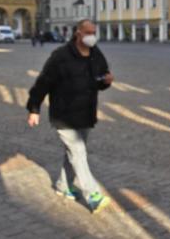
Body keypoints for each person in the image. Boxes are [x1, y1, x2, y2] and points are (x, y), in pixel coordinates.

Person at [26, 19, 114, 214]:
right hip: (64, 114)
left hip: (86, 112)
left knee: (72, 154)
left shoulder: (95, 53)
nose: (92, 36)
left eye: (94, 32)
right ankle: (93, 195)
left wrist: (106, 80)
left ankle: (63, 186)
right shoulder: (61, 56)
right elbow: (43, 83)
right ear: (78, 33)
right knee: (78, 152)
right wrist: (34, 108)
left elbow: (99, 79)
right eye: (88, 32)